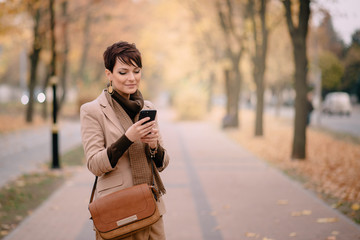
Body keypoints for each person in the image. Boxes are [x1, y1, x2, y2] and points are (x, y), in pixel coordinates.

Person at [80, 41, 170, 240]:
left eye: (136, 71)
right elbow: (95, 164)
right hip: (117, 211)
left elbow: (163, 164)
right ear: (108, 74)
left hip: (152, 207)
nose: (132, 78)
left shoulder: (147, 106)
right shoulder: (92, 111)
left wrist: (154, 145)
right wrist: (128, 138)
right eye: (123, 72)